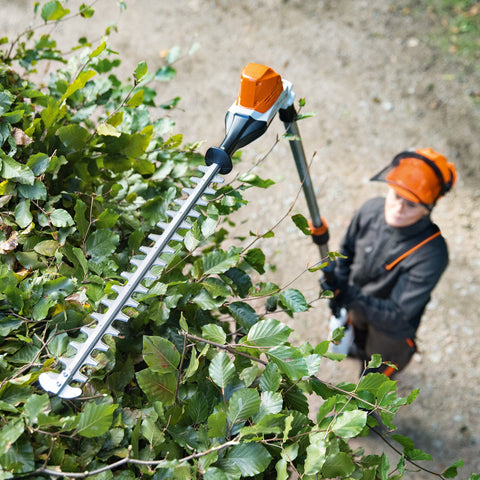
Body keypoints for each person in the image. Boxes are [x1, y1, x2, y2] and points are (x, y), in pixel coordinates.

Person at [323, 148, 457, 378]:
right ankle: (357, 348)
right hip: (357, 302)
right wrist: (335, 281)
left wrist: (348, 295)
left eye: (411, 205)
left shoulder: (432, 253)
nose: (398, 209)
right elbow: (346, 252)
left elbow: (398, 315)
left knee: (373, 378)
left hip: (390, 330)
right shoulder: (370, 211)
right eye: (396, 196)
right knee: (356, 338)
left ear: (427, 208)